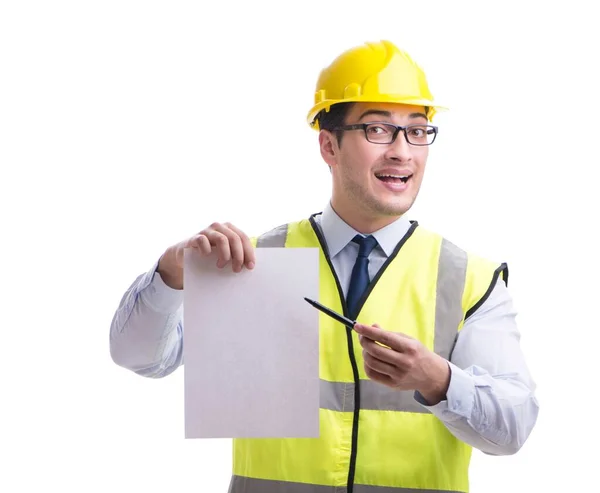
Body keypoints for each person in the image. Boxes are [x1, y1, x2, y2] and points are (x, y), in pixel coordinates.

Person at [109, 40, 539, 493]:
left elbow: (512, 430)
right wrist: (172, 276)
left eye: (417, 131)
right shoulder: (252, 264)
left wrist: (439, 380)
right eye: (378, 130)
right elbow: (137, 357)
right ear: (328, 146)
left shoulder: (470, 280)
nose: (402, 151)